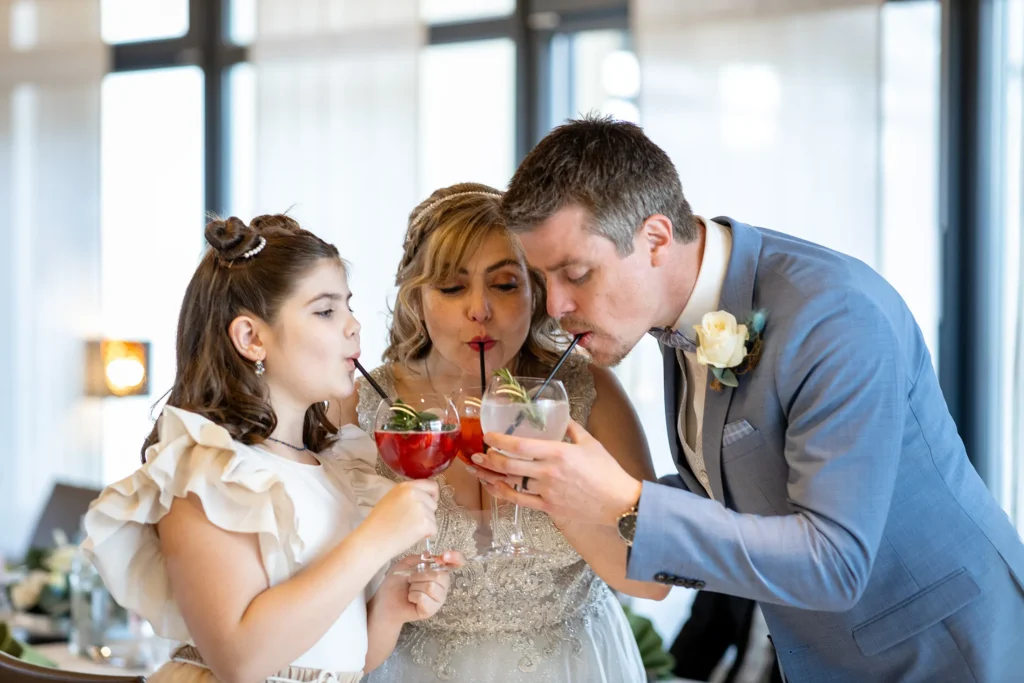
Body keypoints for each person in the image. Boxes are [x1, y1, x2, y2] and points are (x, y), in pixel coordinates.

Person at [473, 116, 1024, 682]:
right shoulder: (676, 319)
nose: (556, 305)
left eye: (577, 273)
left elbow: (834, 562)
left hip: (946, 655)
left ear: (656, 238)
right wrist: (567, 492)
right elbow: (735, 492)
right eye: (543, 279)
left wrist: (629, 501)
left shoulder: (833, 316)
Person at [82, 215, 459, 683]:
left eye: (349, 307)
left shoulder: (336, 468)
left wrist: (388, 610)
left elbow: (333, 663)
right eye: (326, 311)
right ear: (251, 338)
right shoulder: (209, 468)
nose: (354, 326)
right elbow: (241, 661)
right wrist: (374, 541)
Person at [333, 183, 665, 682]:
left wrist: (554, 492)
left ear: (537, 292)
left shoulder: (582, 393)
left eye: (505, 284)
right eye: (451, 287)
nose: (479, 310)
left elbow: (653, 582)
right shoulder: (361, 405)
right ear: (416, 297)